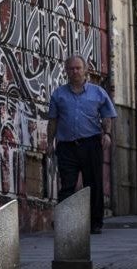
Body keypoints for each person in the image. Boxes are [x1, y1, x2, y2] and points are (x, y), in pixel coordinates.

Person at [47, 55, 116, 234]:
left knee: (93, 183)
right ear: (66, 71)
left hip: (91, 143)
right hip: (66, 146)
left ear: (85, 70)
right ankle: (66, 222)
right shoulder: (58, 94)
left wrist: (107, 134)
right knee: (67, 185)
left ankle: (95, 223)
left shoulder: (98, 92)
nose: (75, 71)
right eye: (71, 68)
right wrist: (49, 142)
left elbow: (107, 115)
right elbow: (53, 121)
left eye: (78, 68)